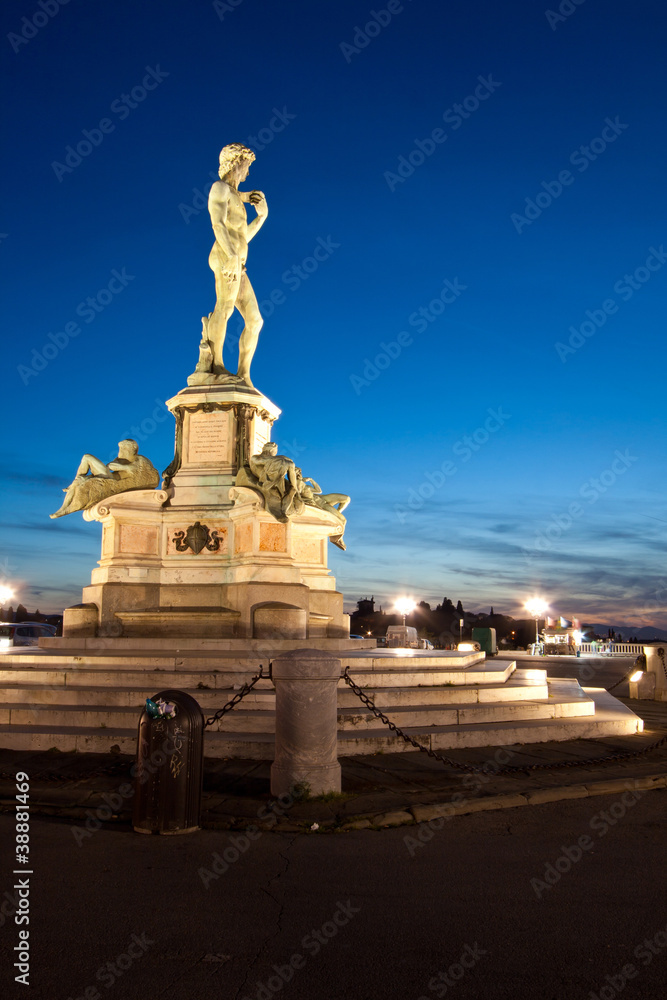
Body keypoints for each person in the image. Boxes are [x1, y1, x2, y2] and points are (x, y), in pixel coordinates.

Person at [196, 142, 268, 386]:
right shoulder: (220, 189)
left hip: (238, 259)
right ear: (236, 163)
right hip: (226, 256)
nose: (248, 173)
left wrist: (262, 216)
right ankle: (216, 366)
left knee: (255, 320)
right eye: (247, 166)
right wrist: (231, 256)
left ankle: (244, 376)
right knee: (224, 307)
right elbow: (217, 225)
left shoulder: (237, 196)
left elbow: (242, 236)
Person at [50, 440, 158, 518]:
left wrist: (123, 467)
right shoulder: (120, 458)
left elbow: (144, 475)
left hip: (114, 481)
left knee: (80, 481)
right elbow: (110, 466)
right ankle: (63, 508)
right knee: (83, 467)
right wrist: (115, 466)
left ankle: (66, 509)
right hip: (109, 477)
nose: (121, 450)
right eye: (121, 448)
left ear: (131, 449)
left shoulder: (140, 459)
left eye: (123, 448)